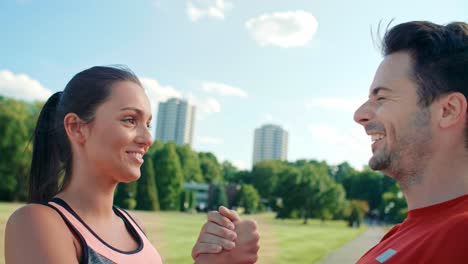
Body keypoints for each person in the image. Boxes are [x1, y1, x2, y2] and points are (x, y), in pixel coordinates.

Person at [194, 20, 468, 263]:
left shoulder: (459, 236)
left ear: (448, 111)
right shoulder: (407, 232)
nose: (359, 114)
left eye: (381, 97)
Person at [4, 66, 259, 264]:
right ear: (76, 127)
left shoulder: (133, 225)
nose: (148, 138)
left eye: (148, 124)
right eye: (129, 120)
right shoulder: (35, 223)